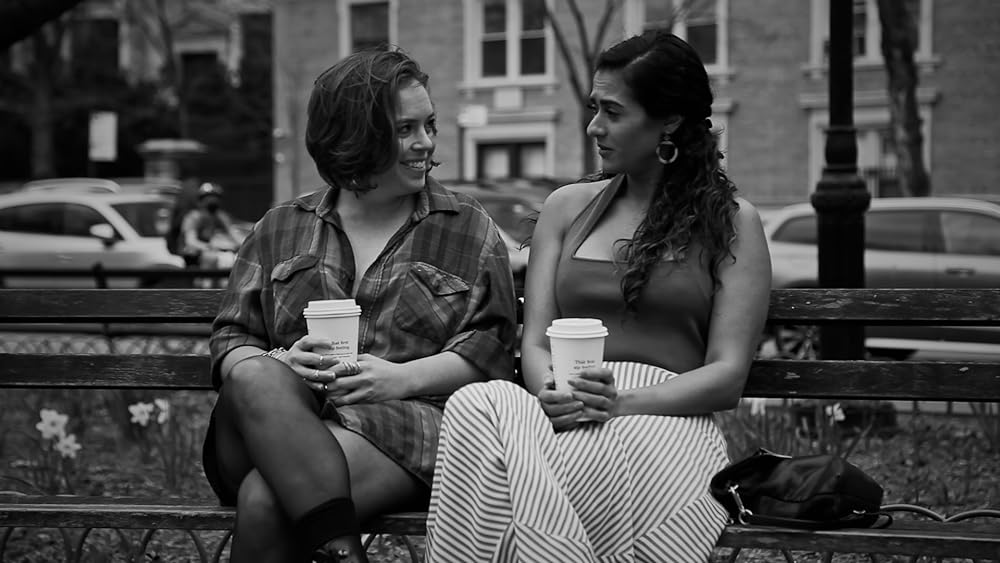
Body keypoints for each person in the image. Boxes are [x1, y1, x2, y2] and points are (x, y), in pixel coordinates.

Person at [425, 30, 771, 562]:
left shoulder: (732, 224)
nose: (594, 127)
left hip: (664, 422)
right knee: (478, 401)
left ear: (670, 121)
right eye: (594, 109)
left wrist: (617, 404)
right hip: (561, 409)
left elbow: (727, 376)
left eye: (613, 112)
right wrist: (556, 395)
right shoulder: (567, 208)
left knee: (545, 471)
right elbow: (535, 341)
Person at [202, 47, 518, 563]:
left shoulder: (465, 228)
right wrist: (285, 363)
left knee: (264, 501)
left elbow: (489, 352)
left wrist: (399, 378)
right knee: (257, 376)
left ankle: (338, 549)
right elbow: (232, 340)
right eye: (404, 130)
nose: (426, 144)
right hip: (273, 425)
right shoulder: (280, 227)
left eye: (429, 125)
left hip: (397, 430)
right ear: (355, 137)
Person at [179, 182, 244, 270]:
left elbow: (234, 235)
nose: (213, 200)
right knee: (210, 258)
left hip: (212, 252)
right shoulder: (193, 217)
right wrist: (213, 246)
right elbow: (190, 241)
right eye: (209, 197)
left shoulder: (219, 216)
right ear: (201, 200)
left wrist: (245, 245)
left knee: (232, 259)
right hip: (193, 256)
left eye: (216, 197)